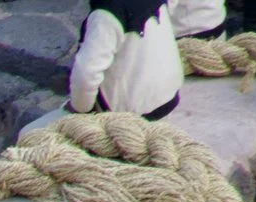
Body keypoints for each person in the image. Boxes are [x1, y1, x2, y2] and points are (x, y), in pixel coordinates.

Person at [69, 0, 228, 121]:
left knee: (94, 67)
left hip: (136, 113)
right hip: (170, 96)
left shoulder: (106, 14)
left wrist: (81, 110)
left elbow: (86, 75)